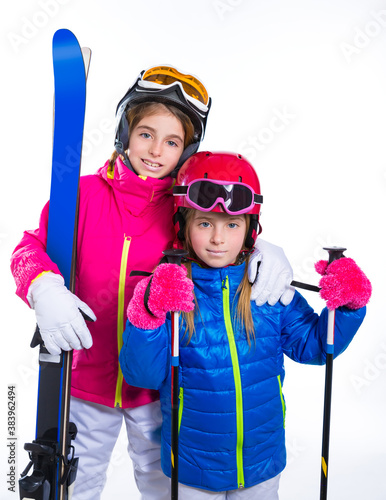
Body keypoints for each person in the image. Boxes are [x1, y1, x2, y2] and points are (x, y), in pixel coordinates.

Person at [10, 68, 295, 499]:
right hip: (85, 382)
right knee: (77, 485)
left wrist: (258, 248)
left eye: (173, 141)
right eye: (146, 134)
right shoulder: (82, 195)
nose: (156, 150)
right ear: (126, 131)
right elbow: (29, 249)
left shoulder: (185, 212)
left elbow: (219, 244)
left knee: (166, 488)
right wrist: (42, 286)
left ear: (187, 149)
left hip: (160, 390)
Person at [119, 151, 371, 498]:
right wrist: (148, 313)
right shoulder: (171, 292)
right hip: (193, 469)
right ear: (183, 224)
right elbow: (142, 376)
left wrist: (348, 307)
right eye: (205, 223)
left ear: (250, 229)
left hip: (261, 463)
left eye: (232, 225)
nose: (218, 239)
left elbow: (315, 347)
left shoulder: (267, 288)